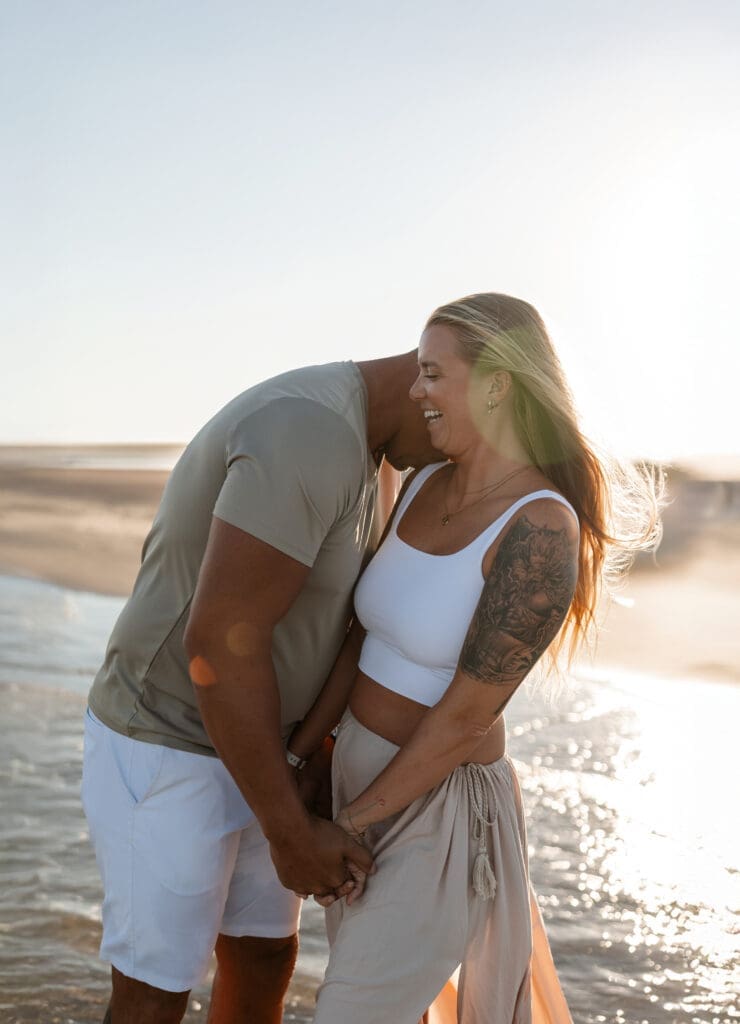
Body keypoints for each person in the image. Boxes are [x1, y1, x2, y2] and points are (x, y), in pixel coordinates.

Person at [284, 293, 662, 1023]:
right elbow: (360, 639)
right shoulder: (421, 481)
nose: (416, 390)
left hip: (437, 810)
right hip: (357, 775)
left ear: (497, 384)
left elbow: (463, 717)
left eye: (432, 373)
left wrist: (351, 826)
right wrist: (308, 758)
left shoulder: (541, 529)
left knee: (350, 1012)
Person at [81, 352, 439, 1024]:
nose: (445, 458)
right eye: (454, 436)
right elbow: (217, 644)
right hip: (170, 743)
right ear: (433, 384)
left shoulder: (384, 450)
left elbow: (349, 625)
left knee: (263, 957)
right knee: (157, 992)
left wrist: (307, 757)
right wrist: (290, 833)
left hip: (263, 745)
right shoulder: (309, 429)